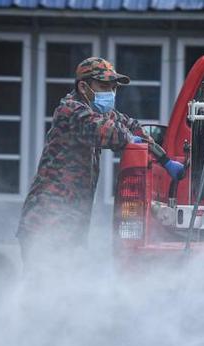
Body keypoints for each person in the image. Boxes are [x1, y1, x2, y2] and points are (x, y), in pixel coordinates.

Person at [17, 57, 184, 269]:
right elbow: (107, 133)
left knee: (64, 289)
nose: (111, 92)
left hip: (71, 221)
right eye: (104, 86)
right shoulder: (71, 110)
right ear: (84, 87)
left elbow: (132, 126)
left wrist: (165, 160)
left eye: (113, 87)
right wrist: (129, 139)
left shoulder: (101, 113)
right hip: (48, 220)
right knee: (44, 285)